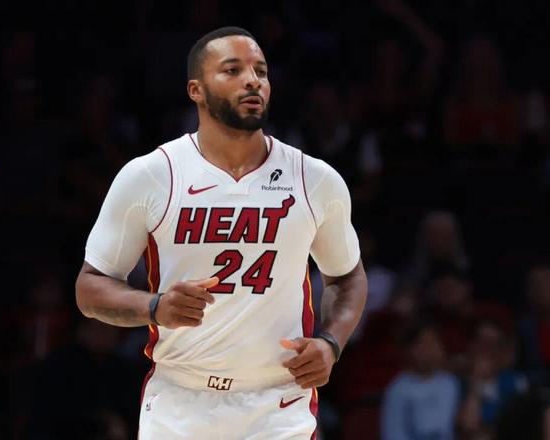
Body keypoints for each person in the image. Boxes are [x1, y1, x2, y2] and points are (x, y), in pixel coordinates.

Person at [75, 26, 368, 440]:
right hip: (180, 401)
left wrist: (331, 343)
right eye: (232, 70)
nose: (253, 81)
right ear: (196, 90)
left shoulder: (314, 179)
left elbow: (348, 277)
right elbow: (89, 289)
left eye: (260, 71)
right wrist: (155, 306)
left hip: (277, 403)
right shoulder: (152, 175)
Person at [381, 324, 460, 440]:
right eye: (426, 344)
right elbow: (393, 434)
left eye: (435, 343)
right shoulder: (398, 389)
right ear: (410, 349)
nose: (432, 350)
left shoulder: (450, 383)